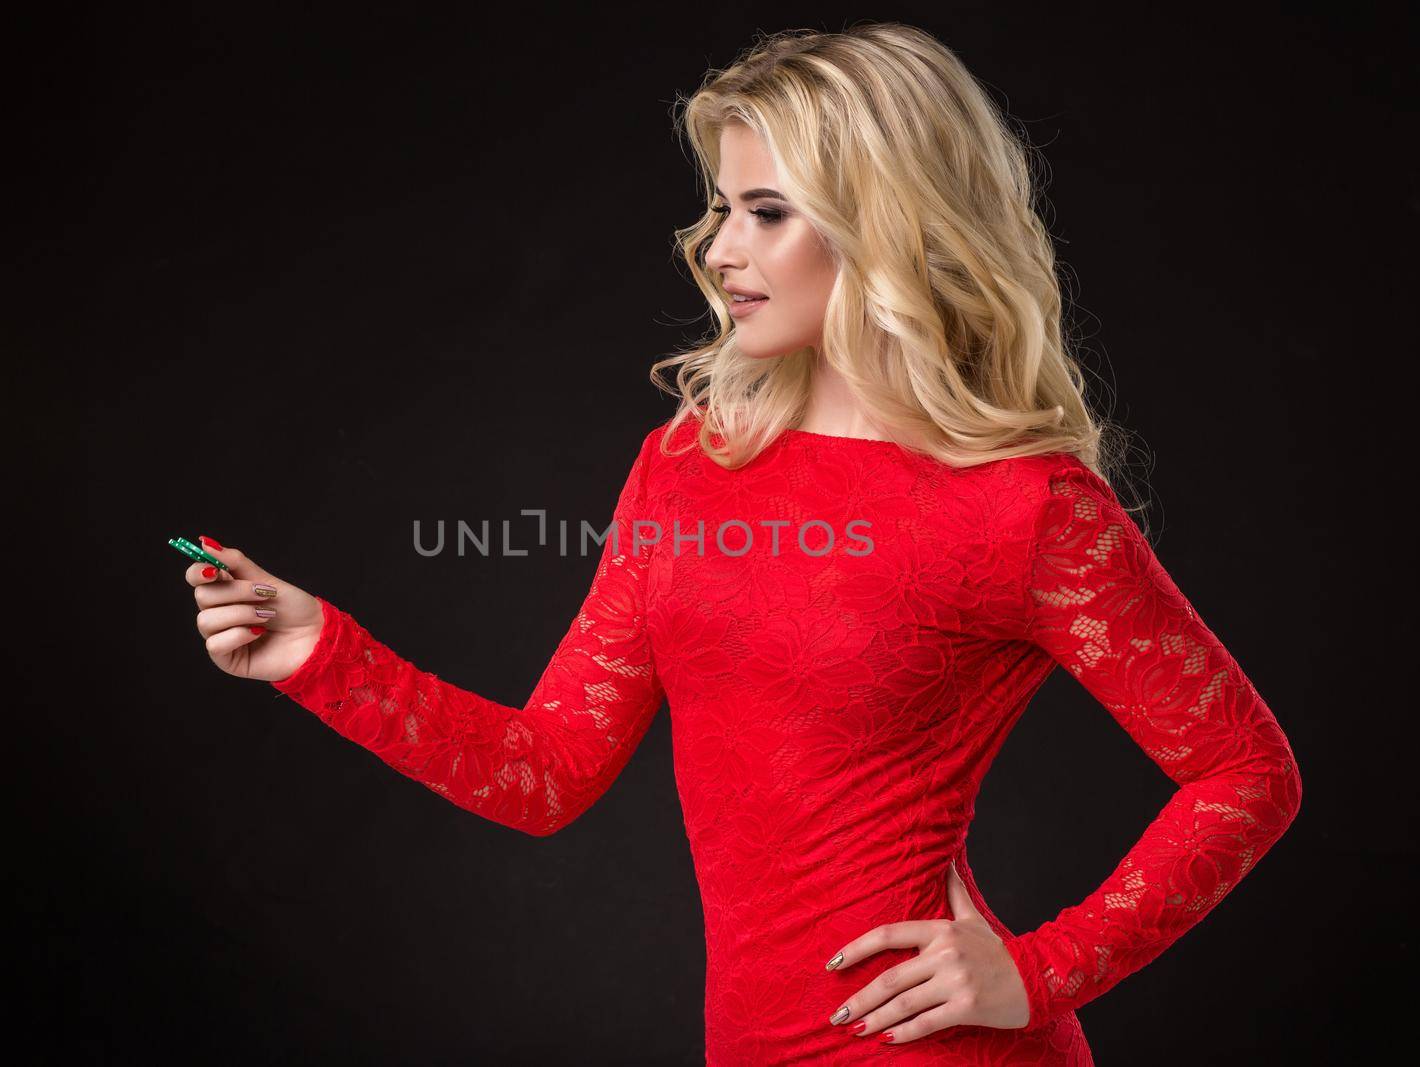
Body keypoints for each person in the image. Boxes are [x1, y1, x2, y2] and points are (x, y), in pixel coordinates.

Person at [181, 23, 1302, 1065]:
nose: (718, 250)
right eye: (721, 208)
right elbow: (549, 772)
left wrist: (1041, 970)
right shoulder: (684, 465)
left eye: (766, 211)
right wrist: (317, 652)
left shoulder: (1024, 507)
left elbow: (1248, 771)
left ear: (889, 223)